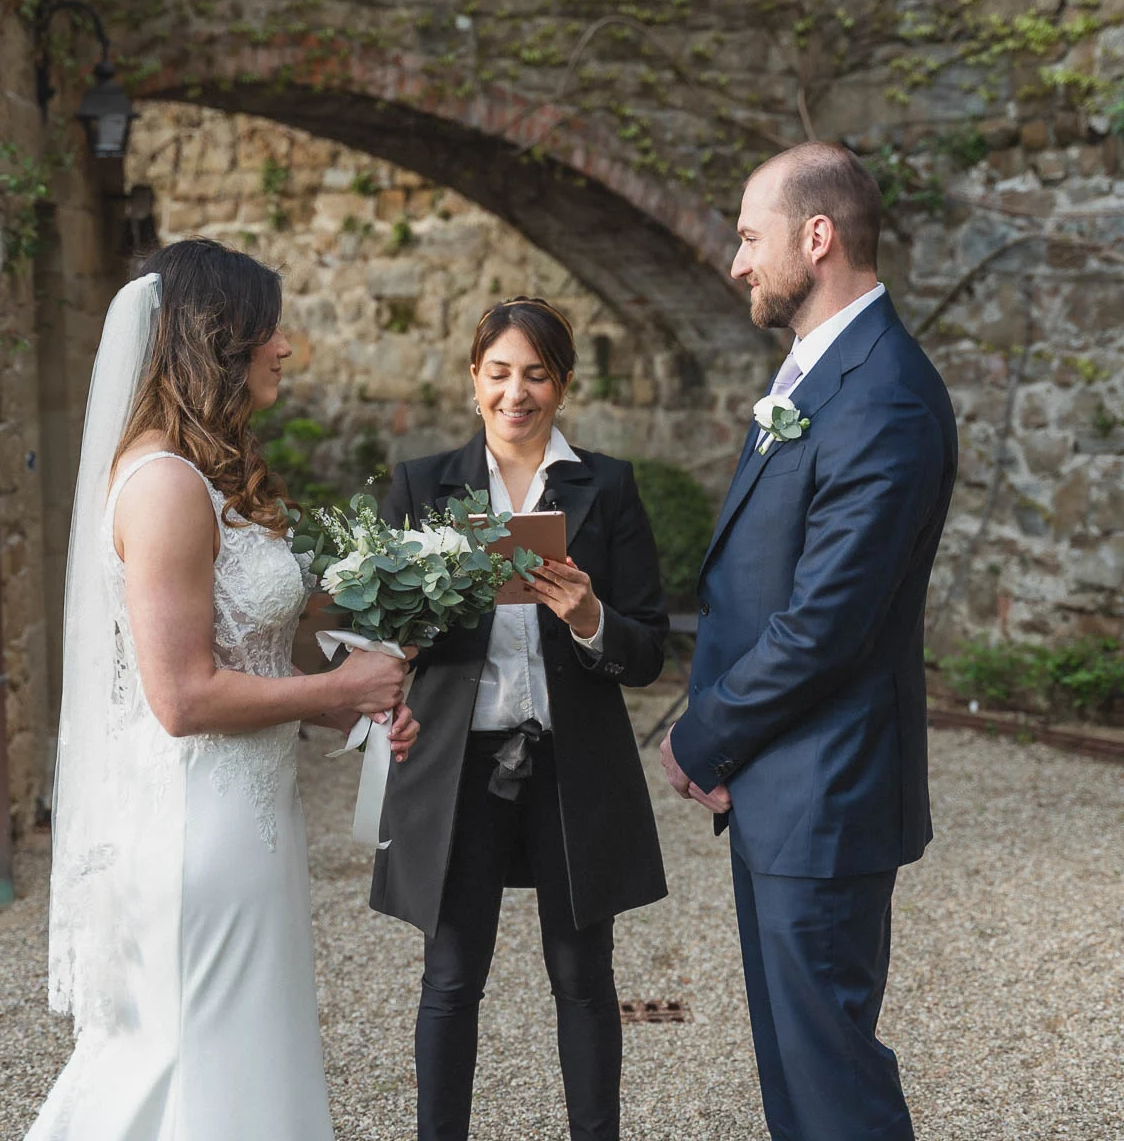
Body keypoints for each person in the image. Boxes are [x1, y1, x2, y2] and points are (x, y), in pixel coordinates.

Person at [27, 238, 417, 1141]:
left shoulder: (207, 477)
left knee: (238, 1059)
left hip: (247, 817)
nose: (284, 347)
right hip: (193, 828)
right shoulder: (164, 486)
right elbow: (184, 698)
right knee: (182, 1064)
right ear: (217, 336)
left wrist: (349, 691)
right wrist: (341, 685)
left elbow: (247, 652)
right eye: (268, 329)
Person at [660, 143, 958, 1140]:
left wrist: (703, 734)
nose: (738, 262)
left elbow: (826, 624)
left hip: (825, 792)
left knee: (833, 1086)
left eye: (752, 236)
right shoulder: (818, 375)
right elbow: (755, 581)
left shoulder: (884, 396)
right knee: (798, 1075)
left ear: (816, 237)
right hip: (783, 786)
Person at [371, 297, 669, 1141]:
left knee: (581, 975)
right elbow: (384, 647)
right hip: (458, 767)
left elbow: (646, 651)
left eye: (536, 374)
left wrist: (589, 617)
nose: (516, 393)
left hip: (571, 766)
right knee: (451, 976)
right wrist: (415, 624)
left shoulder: (605, 485)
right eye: (499, 373)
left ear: (562, 385)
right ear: (474, 382)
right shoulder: (423, 486)